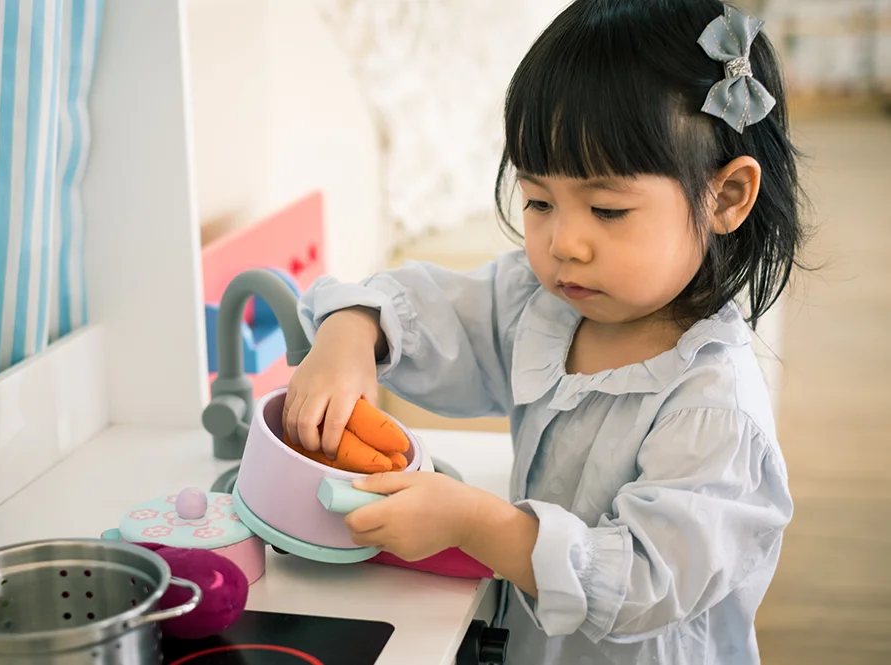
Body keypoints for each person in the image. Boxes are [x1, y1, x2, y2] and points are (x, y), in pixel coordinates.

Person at [283, 0, 805, 662]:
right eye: (538, 202)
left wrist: (472, 521)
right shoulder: (544, 304)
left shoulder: (714, 411)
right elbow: (434, 310)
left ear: (725, 197)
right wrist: (349, 333)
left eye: (607, 209)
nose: (563, 243)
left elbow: (640, 584)